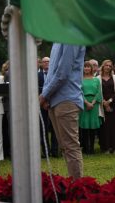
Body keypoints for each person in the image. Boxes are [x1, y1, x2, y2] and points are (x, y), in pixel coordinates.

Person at [39, 43, 85, 179]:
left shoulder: (71, 37)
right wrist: (47, 96)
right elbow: (51, 72)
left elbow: (63, 72)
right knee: (65, 147)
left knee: (70, 147)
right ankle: (74, 184)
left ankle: (78, 189)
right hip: (55, 99)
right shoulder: (57, 40)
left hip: (67, 99)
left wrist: (44, 95)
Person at [97, 59, 115, 154]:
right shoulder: (97, 78)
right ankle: (106, 147)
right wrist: (104, 103)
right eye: (106, 65)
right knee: (104, 127)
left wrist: (109, 102)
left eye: (110, 66)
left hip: (113, 104)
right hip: (102, 105)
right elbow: (97, 92)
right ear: (103, 66)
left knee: (114, 126)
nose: (108, 67)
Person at [79, 61, 102, 154]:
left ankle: (92, 148)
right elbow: (79, 92)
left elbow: (99, 92)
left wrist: (92, 103)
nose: (87, 68)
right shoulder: (79, 79)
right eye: (85, 67)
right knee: (84, 126)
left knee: (92, 127)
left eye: (88, 67)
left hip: (94, 104)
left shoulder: (96, 79)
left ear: (92, 68)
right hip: (84, 104)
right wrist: (86, 102)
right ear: (83, 68)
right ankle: (85, 148)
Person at [38, 56, 58, 158]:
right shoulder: (37, 75)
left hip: (53, 104)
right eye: (44, 62)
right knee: (43, 128)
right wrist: (43, 102)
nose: (46, 63)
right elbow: (36, 89)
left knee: (55, 128)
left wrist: (49, 101)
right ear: (41, 63)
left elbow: (56, 88)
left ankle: (55, 151)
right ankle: (46, 152)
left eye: (48, 62)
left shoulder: (55, 75)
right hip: (41, 105)